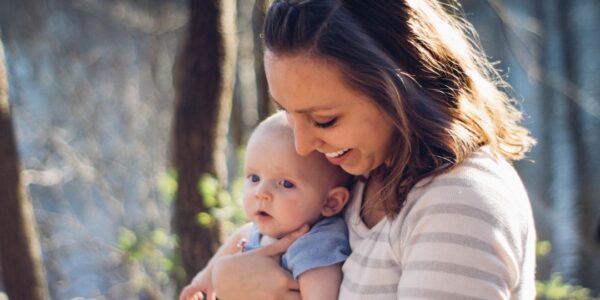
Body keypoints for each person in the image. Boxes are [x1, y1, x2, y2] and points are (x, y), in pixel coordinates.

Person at [208, 0, 538, 299]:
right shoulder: (363, 173)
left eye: (324, 120)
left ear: (399, 89)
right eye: (288, 115)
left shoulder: (458, 204)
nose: (302, 146)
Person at [179, 112, 353, 300]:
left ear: (330, 202)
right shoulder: (268, 229)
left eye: (285, 184)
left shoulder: (315, 246)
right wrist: (204, 278)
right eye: (254, 178)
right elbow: (241, 234)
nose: (260, 192)